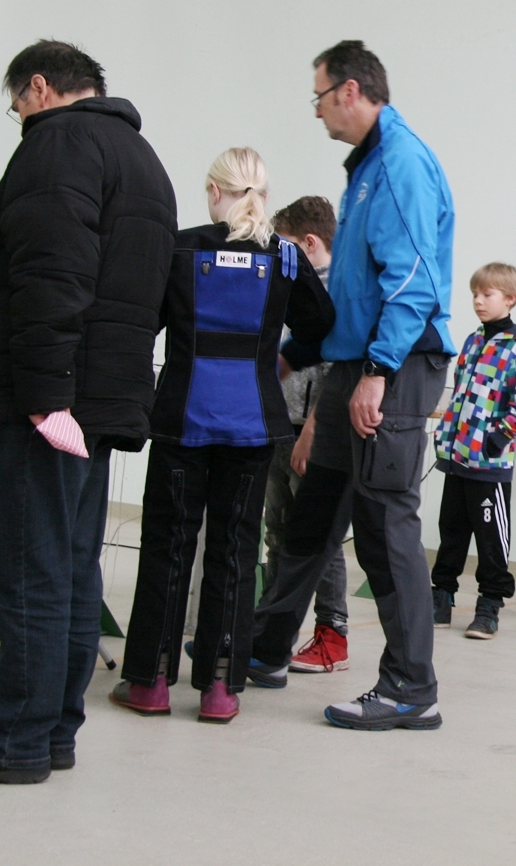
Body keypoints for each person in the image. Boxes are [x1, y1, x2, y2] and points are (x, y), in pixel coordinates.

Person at [0, 41, 177, 785]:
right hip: (101, 398)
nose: (19, 118)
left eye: (16, 105)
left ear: (38, 87)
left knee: (28, 569)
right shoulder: (142, 159)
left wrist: (46, 394)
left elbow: (52, 275)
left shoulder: (58, 144)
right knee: (72, 569)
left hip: (50, 400)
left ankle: (13, 739)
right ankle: (54, 730)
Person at [247, 40, 455, 732]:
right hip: (355, 362)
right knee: (312, 516)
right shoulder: (364, 168)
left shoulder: (399, 163)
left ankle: (410, 688)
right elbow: (355, 293)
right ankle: (266, 648)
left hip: (396, 364)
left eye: (318, 97)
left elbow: (413, 281)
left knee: (384, 525)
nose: (315, 112)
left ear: (350, 91)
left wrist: (378, 372)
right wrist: (293, 355)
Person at [109, 149, 333, 724]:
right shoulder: (284, 257)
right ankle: (219, 687)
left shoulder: (180, 249)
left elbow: (142, 320)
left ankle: (151, 682)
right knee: (235, 552)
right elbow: (324, 326)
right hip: (251, 423)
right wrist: (279, 356)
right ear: (262, 194)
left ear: (214, 191)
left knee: (167, 546)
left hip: (183, 417)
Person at [257, 195, 352, 675]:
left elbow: (335, 371)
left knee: (318, 539)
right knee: (278, 532)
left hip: (313, 433)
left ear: (310, 243)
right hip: (280, 426)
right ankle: (267, 632)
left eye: (286, 245)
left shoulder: (338, 293)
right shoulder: (291, 288)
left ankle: (332, 634)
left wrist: (312, 430)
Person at [430, 262, 516, 640]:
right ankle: (441, 597)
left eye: (487, 294)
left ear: (510, 299)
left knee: (491, 537)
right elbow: (460, 395)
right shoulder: (473, 341)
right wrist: (446, 434)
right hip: (457, 457)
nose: (478, 301)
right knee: (451, 531)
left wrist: (495, 440)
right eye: (474, 294)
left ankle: (490, 603)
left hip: (488, 463)